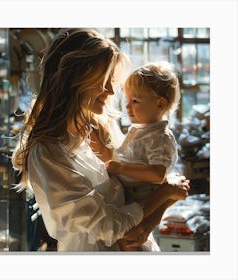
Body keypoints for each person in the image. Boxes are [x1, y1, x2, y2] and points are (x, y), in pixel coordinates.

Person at [12, 28, 189, 252]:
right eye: (103, 81)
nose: (111, 92)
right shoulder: (47, 152)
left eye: (111, 81)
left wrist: (150, 221)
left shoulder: (103, 126)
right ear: (74, 80)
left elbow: (144, 186)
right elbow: (109, 227)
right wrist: (164, 194)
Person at [105, 62, 182, 250]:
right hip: (132, 196)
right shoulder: (143, 131)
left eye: (135, 101)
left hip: (142, 199)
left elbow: (158, 174)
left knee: (133, 242)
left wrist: (121, 168)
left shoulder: (159, 137)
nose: (127, 106)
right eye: (128, 100)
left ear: (160, 103)